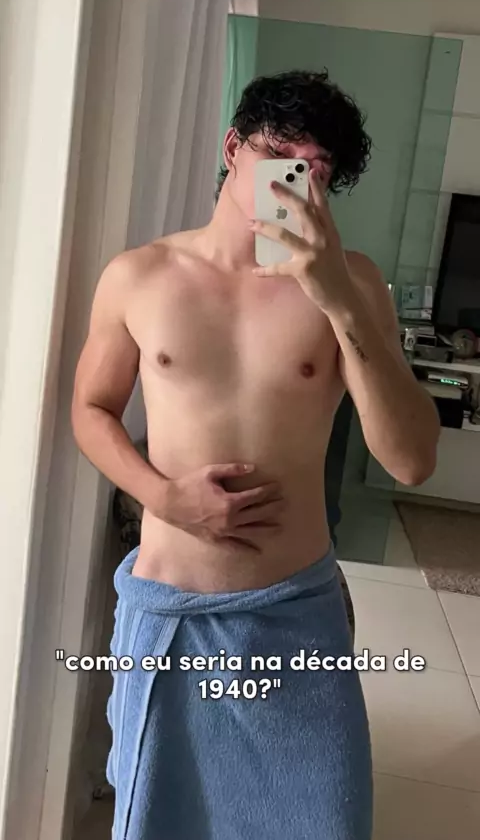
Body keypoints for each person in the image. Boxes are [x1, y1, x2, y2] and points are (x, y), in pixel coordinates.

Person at [72, 69, 440, 840]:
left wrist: (336, 298)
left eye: (317, 171)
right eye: (281, 156)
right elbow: (91, 410)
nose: (295, 183)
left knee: (324, 821)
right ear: (233, 148)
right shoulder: (141, 276)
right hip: (170, 612)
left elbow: (411, 462)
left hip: (295, 614)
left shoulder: (353, 284)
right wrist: (164, 497)